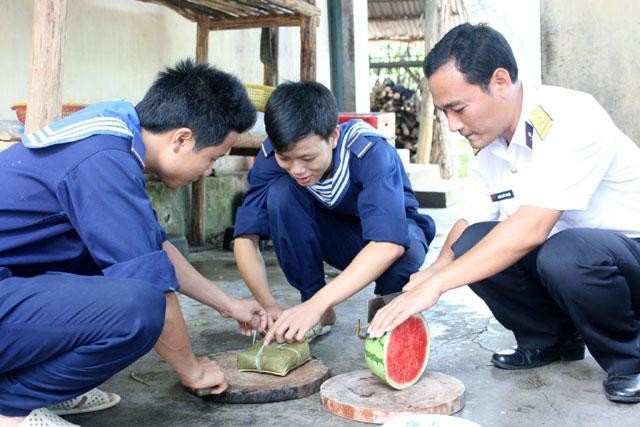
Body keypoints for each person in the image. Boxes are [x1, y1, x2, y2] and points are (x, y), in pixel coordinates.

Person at [368, 23, 640, 403]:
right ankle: (552, 340)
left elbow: (530, 231)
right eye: (444, 111)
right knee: (473, 242)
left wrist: (438, 286)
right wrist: (432, 271)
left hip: (627, 258)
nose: (453, 124)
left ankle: (632, 360)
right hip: (569, 260)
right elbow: (468, 223)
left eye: (458, 108)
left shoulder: (572, 116)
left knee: (566, 252)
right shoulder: (491, 147)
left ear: (500, 81)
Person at [0, 59, 268, 427]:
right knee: (139, 308)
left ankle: (39, 388)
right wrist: (193, 371)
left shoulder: (116, 134)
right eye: (213, 159)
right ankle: (12, 406)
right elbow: (153, 286)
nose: (209, 172)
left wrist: (227, 304)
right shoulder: (103, 158)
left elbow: (152, 248)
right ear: (182, 139)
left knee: (113, 267)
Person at [232, 80, 435, 345]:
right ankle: (317, 306)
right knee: (281, 194)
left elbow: (388, 244)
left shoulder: (370, 152)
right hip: (338, 241)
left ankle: (390, 299)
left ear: (334, 137)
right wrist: (268, 304)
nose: (297, 169)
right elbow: (245, 238)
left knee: (405, 243)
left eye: (308, 158)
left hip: (386, 241)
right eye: (286, 158)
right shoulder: (273, 157)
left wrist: (316, 304)